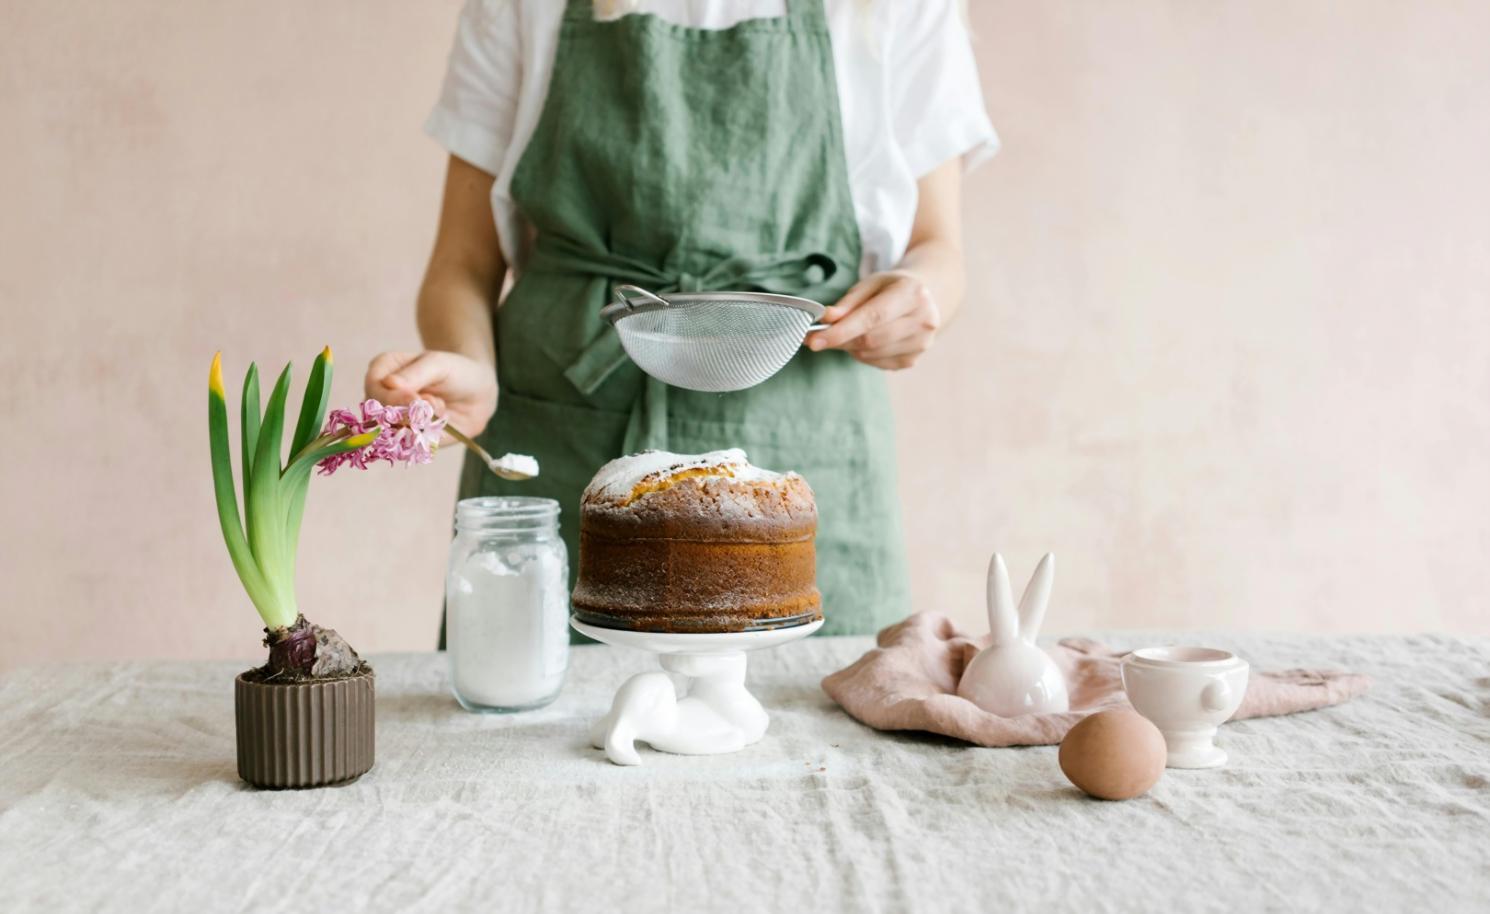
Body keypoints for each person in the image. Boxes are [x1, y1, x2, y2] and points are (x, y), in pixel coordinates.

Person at [366, 0, 997, 637]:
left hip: (808, 426)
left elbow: (939, 247)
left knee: (821, 715)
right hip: (562, 433)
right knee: (527, 716)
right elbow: (462, 260)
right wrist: (468, 364)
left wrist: (921, 296)